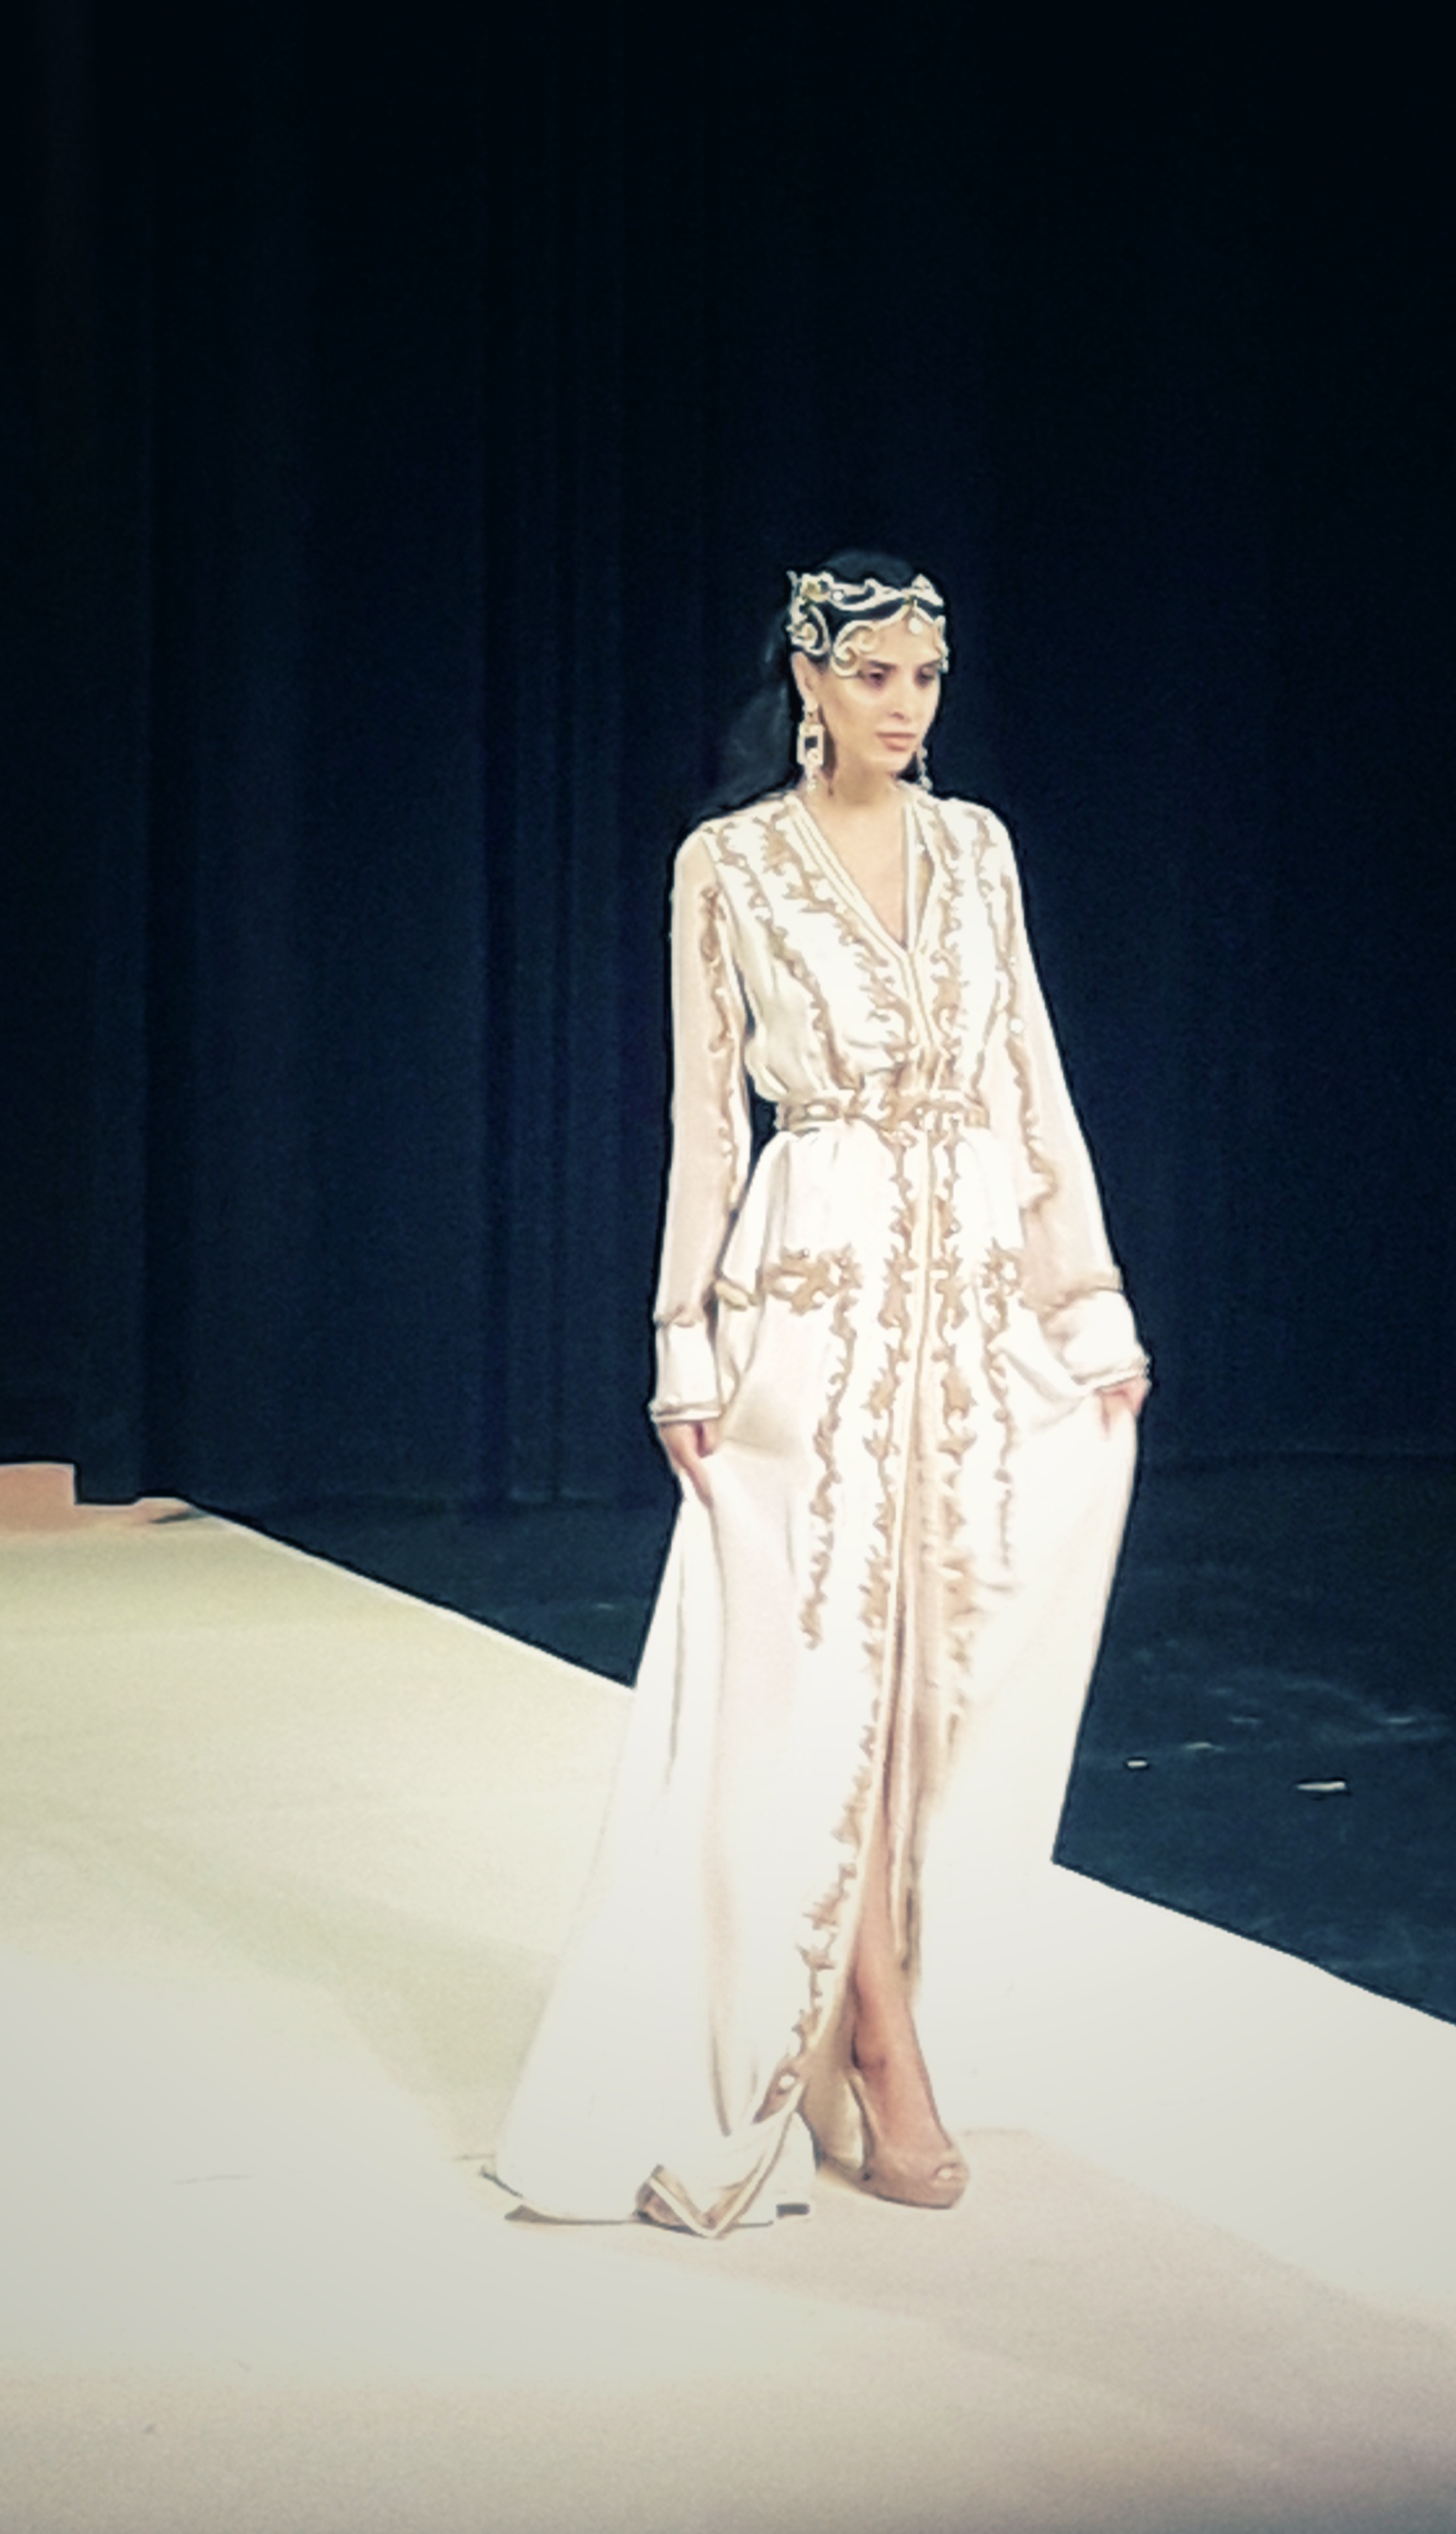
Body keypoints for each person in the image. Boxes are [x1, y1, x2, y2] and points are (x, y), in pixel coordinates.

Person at [492, 554, 1149, 2236]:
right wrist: (681, 1342)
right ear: (807, 680)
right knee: (813, 1677)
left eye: (924, 673)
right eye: (872, 673)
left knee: (944, 1662)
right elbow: (707, 1120)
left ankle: (888, 2008)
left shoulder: (977, 847)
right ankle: (877, 2036)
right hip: (813, 1284)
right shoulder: (729, 865)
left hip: (969, 1282)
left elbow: (1030, 1078)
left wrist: (1086, 1299)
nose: (903, 704)